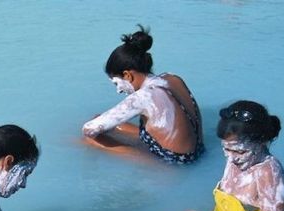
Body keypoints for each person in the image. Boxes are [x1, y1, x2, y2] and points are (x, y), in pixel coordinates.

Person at [82, 25, 204, 164]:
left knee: (89, 139)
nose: (119, 90)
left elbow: (88, 129)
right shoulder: (173, 78)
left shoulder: (142, 97)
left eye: (116, 83)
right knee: (112, 124)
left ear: (127, 75)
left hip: (171, 163)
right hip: (197, 152)